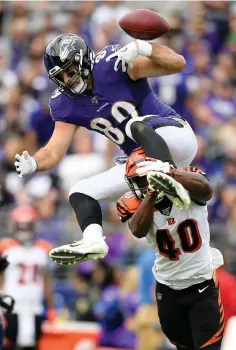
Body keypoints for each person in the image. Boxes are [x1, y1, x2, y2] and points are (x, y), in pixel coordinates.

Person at [14, 33, 198, 266]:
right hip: (141, 161)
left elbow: (177, 63)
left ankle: (169, 178)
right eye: (60, 76)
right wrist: (36, 163)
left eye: (70, 71)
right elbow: (53, 152)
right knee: (80, 191)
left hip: (175, 136)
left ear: (84, 60)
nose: (67, 80)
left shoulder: (113, 65)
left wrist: (144, 48)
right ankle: (92, 240)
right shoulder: (64, 103)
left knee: (134, 125)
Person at [116, 147, 224, 350]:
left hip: (201, 286)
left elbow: (207, 190)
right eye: (139, 181)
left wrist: (169, 174)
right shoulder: (137, 204)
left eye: (147, 178)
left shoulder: (187, 186)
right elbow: (137, 230)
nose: (144, 184)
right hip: (168, 290)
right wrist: (151, 191)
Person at [0, 205, 56, 350]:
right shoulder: (6, 247)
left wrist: (51, 308)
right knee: (9, 342)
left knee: (32, 344)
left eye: (27, 226)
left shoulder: (42, 248)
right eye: (21, 226)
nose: (24, 230)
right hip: (11, 306)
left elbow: (47, 281)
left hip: (35, 306)